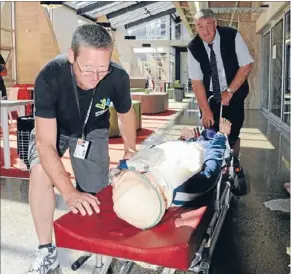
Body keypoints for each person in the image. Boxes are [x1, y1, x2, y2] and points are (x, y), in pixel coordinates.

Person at [27, 24, 137, 274]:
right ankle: (46, 251)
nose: (95, 75)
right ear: (71, 56)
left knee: (97, 191)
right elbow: (45, 144)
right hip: (55, 128)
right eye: (87, 68)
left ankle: (99, 245)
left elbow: (125, 112)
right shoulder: (49, 76)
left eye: (102, 68)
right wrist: (68, 192)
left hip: (91, 131)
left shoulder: (117, 77)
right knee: (40, 171)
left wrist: (130, 149)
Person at [111, 118, 231, 229]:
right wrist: (221, 136)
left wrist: (190, 140)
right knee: (211, 135)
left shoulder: (148, 186)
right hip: (204, 148)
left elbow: (129, 167)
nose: (141, 173)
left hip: (187, 146)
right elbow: (211, 170)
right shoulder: (183, 188)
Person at [187, 9, 254, 156]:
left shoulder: (232, 35)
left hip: (234, 91)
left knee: (233, 129)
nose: (205, 31)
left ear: (215, 23)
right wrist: (205, 110)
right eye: (200, 26)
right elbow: (197, 82)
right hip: (211, 94)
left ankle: (232, 155)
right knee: (210, 129)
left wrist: (229, 91)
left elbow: (246, 65)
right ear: (196, 27)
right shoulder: (194, 47)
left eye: (209, 25)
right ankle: (215, 158)